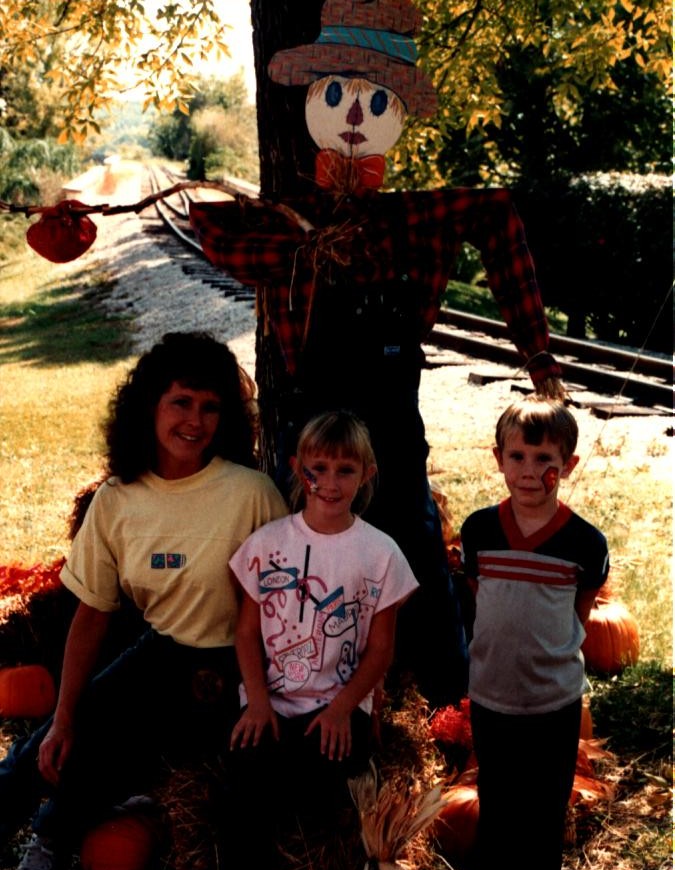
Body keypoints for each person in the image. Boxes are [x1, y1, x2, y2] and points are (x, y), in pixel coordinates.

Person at [189, 0, 566, 709]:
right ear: (312, 106)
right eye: (335, 95)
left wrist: (535, 351)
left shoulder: (410, 216)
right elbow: (208, 224)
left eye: (372, 100)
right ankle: (309, 693)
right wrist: (305, 247)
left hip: (392, 436)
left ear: (392, 112)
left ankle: (453, 706)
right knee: (306, 562)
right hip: (311, 431)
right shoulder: (289, 217)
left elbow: (496, 212)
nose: (354, 115)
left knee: (418, 555)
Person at [0, 331, 288, 870]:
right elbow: (91, 616)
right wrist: (62, 716)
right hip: (163, 651)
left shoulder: (251, 493)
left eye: (210, 407)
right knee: (56, 741)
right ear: (149, 406)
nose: (196, 421)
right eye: (181, 402)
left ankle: (64, 826)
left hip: (241, 664)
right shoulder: (116, 500)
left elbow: (284, 604)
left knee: (191, 762)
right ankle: (47, 839)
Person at [216, 410, 418, 870]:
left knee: (324, 787)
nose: (330, 483)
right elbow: (245, 631)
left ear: (367, 474)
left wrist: (343, 709)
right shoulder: (268, 544)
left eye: (345, 470)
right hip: (272, 700)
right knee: (243, 788)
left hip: (339, 705)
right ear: (297, 469)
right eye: (318, 469)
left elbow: (381, 650)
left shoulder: (380, 554)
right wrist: (256, 701)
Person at [459, 396, 609, 870]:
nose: (528, 471)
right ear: (497, 458)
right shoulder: (478, 531)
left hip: (553, 696)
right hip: (493, 690)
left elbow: (580, 610)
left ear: (566, 465)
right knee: (497, 787)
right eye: (517, 456)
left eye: (542, 458)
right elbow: (479, 595)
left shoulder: (585, 543)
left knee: (545, 794)